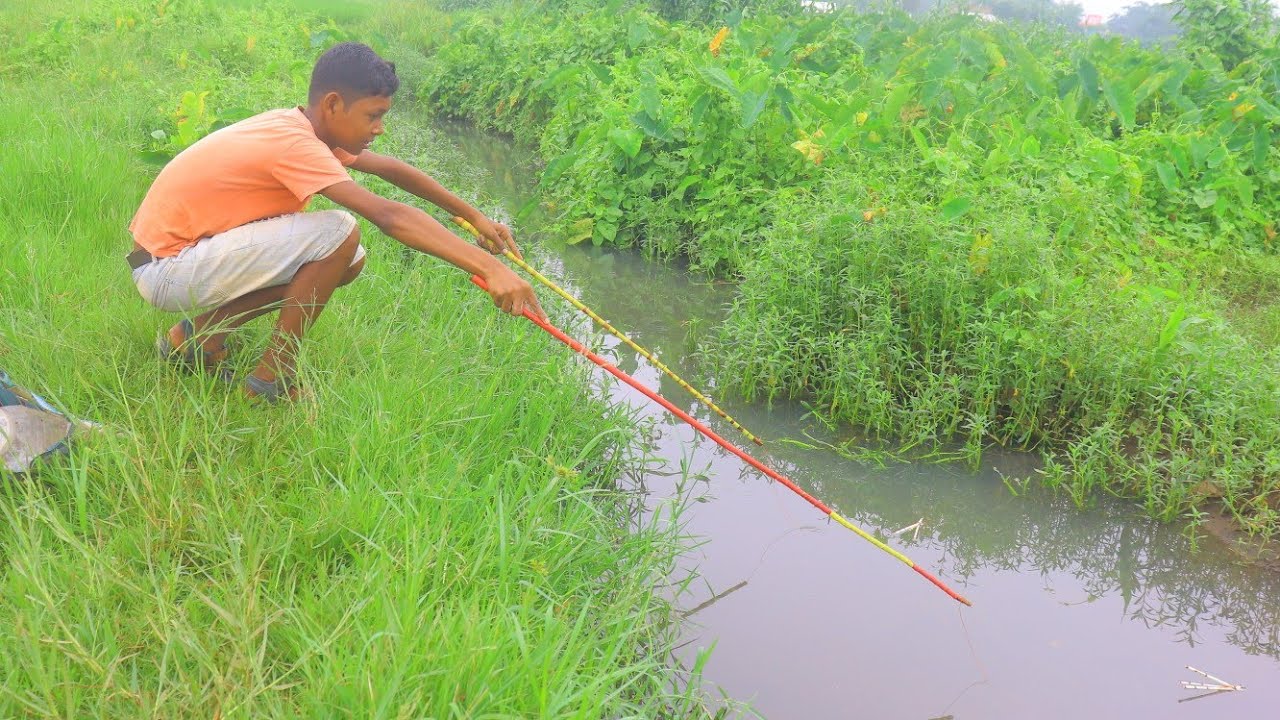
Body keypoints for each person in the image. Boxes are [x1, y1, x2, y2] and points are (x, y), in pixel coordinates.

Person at [127, 42, 544, 402]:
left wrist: (473, 216)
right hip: (168, 270)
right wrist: (490, 267)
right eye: (373, 116)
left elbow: (388, 169)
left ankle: (197, 338)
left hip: (173, 261)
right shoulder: (295, 143)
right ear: (332, 104)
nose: (379, 129)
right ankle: (270, 383)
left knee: (350, 258)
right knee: (339, 231)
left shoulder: (305, 129)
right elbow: (387, 214)